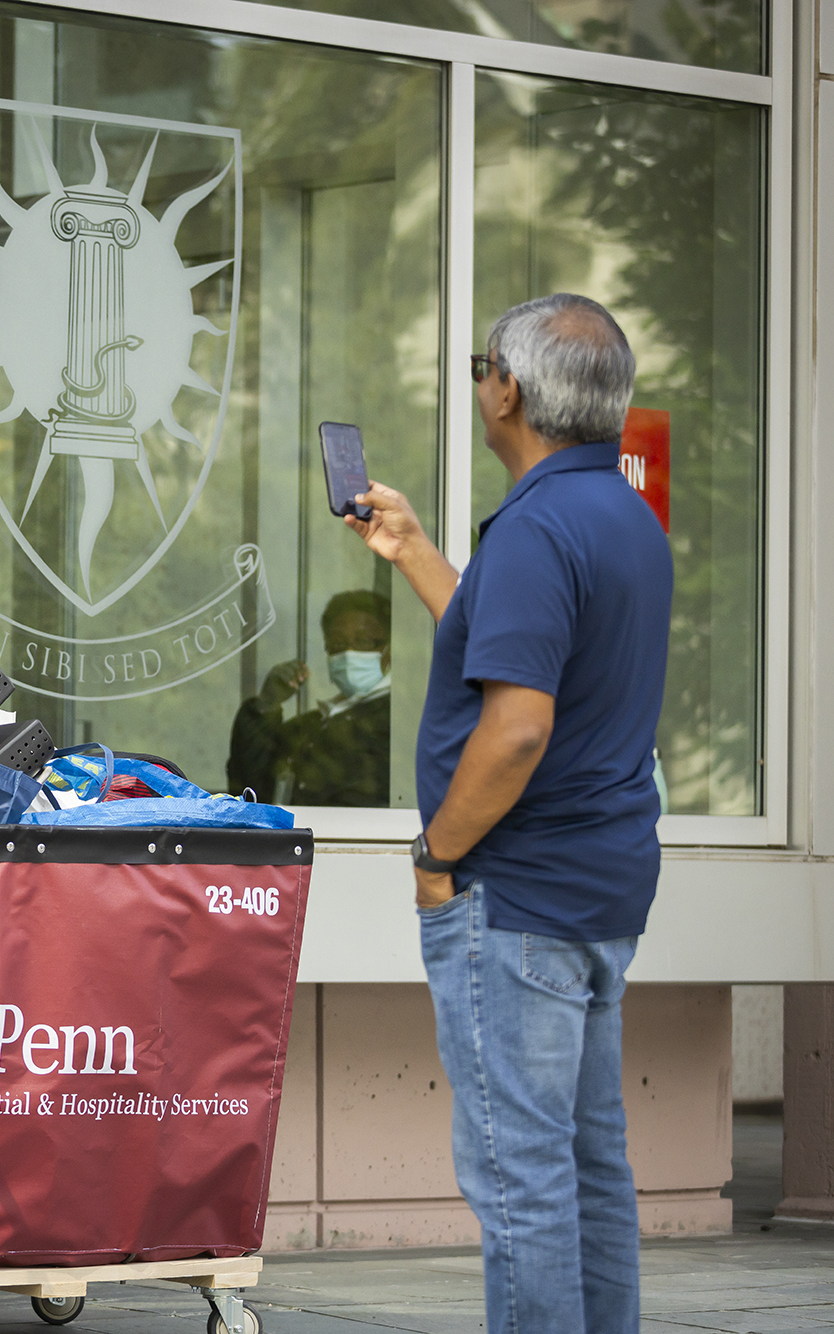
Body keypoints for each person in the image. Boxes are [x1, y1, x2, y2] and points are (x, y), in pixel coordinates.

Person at [344, 293, 670, 1333]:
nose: (478, 378)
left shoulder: (537, 525)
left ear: (508, 391)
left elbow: (518, 725)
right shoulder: (621, 513)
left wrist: (436, 854)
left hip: (513, 892)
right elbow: (513, 646)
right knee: (586, 1164)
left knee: (519, 1177)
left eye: (482, 362)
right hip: (595, 889)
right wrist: (413, 552)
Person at [227, 589, 391, 805]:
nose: (349, 652)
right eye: (338, 643)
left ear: (388, 650)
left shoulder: (395, 723)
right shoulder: (310, 726)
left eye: (363, 641)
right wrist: (266, 706)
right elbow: (250, 789)